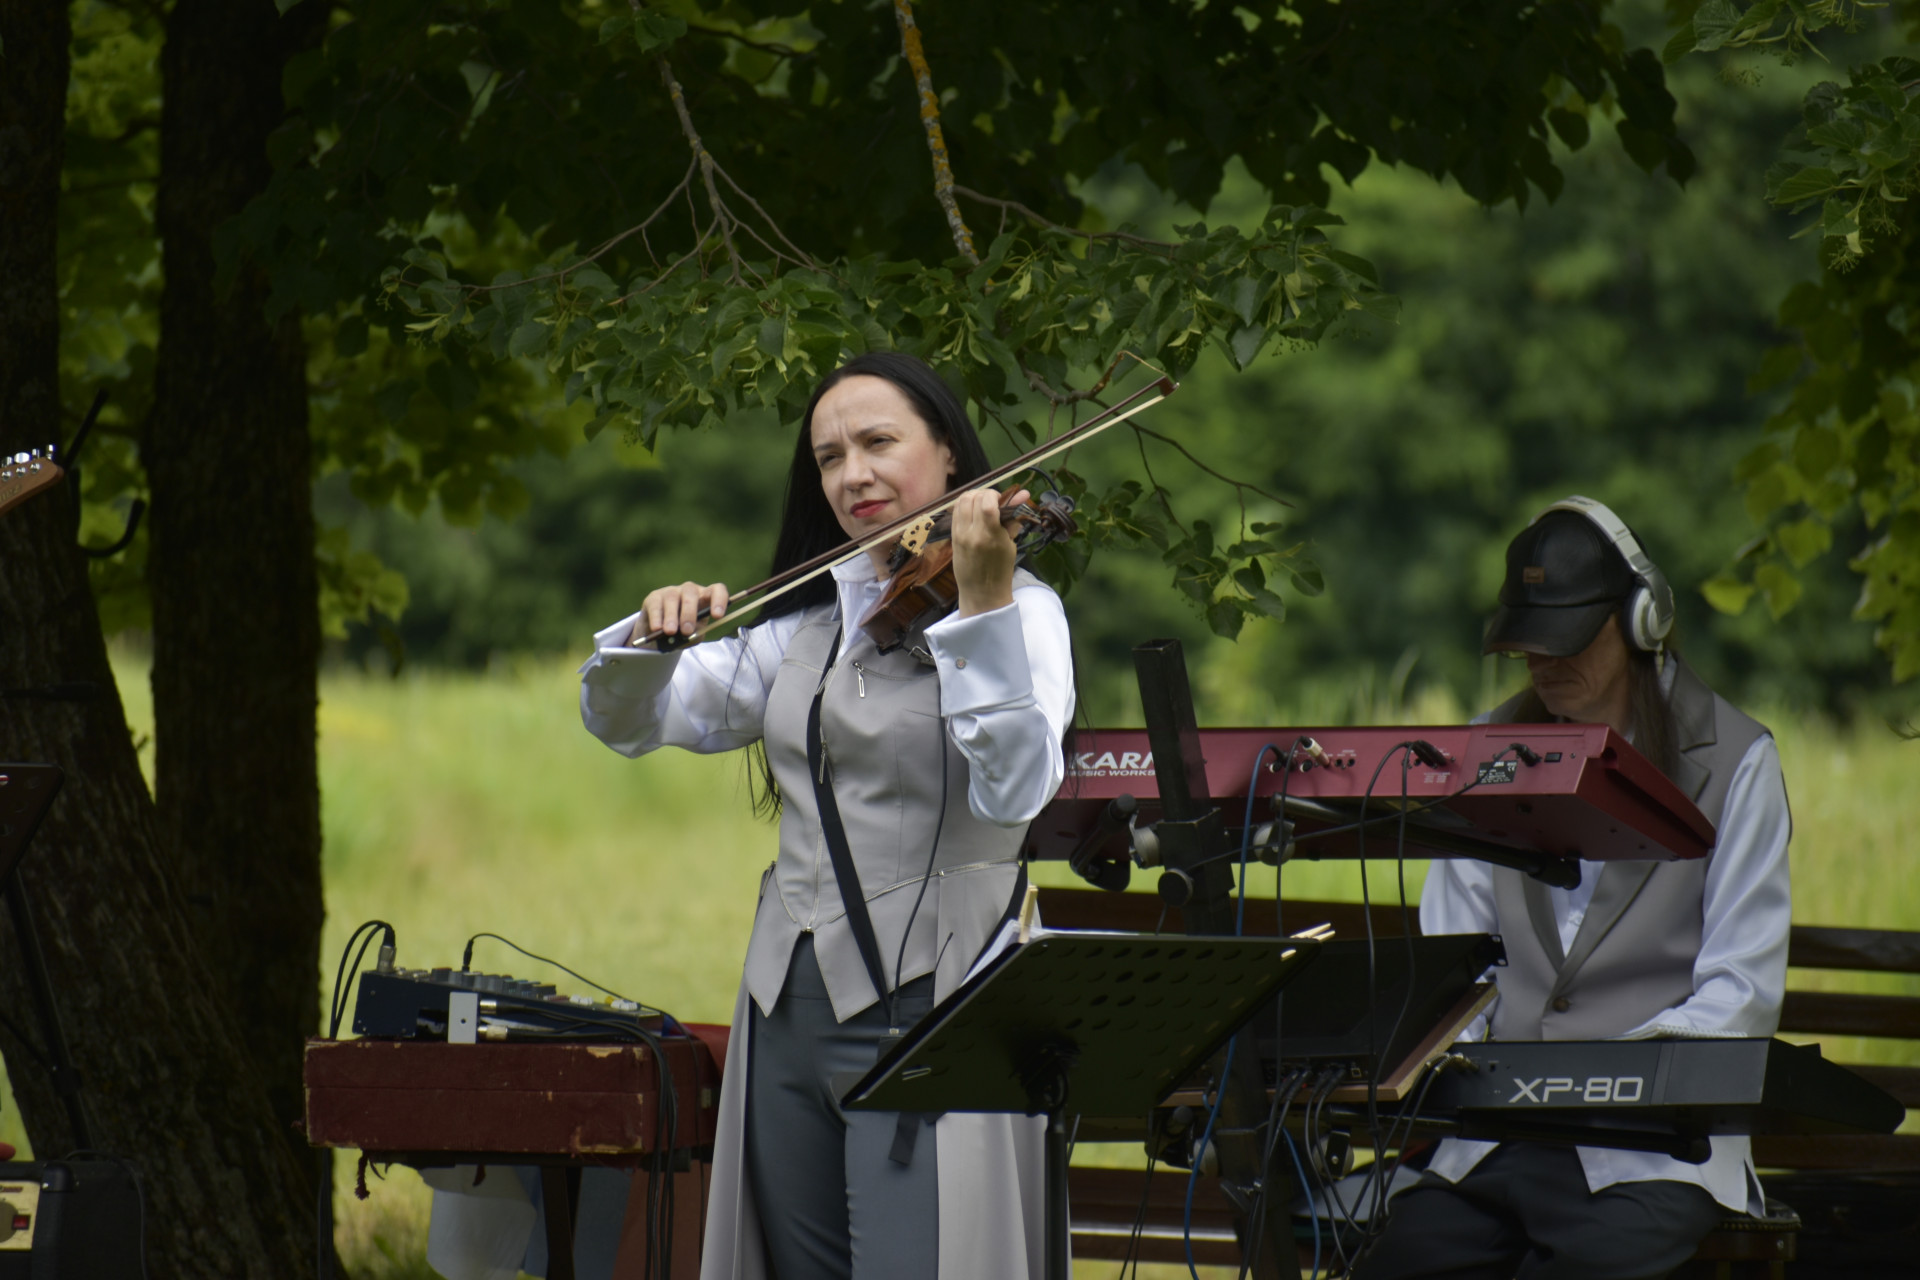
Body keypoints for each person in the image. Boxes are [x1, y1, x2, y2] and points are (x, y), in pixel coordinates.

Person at [578, 351, 1072, 1280]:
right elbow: (632, 721)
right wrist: (650, 640)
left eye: (879, 443)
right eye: (830, 456)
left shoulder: (1025, 615)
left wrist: (981, 608)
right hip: (785, 1003)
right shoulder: (804, 629)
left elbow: (1014, 791)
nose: (853, 474)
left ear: (952, 460)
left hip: (937, 993)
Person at [1357, 496, 1793, 1280]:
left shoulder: (1738, 762)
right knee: (1397, 1262)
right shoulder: (1485, 754)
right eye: (1528, 644)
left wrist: (1596, 1077)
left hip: (1658, 1153)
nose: (1543, 663)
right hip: (1494, 1145)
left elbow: (1741, 990)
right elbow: (1455, 966)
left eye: (1565, 640)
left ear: (1640, 623)